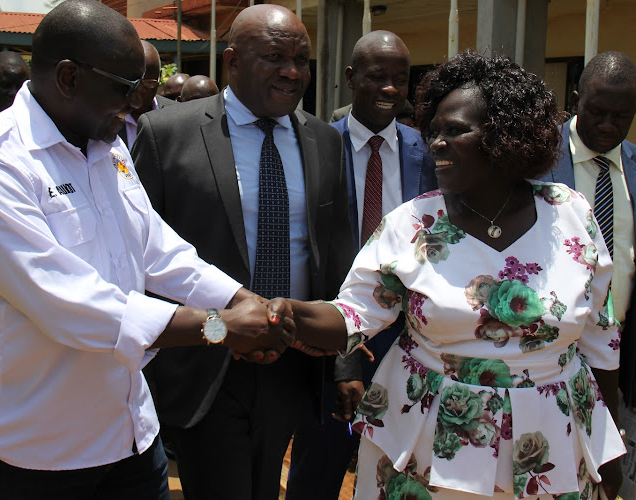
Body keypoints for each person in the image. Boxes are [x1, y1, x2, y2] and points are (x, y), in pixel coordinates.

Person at [0, 1, 286, 498]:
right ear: (70, 78)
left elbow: (157, 249)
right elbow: (72, 306)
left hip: (126, 432)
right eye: (125, 86)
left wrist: (239, 299)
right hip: (26, 445)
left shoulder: (105, 142)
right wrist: (221, 327)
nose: (138, 102)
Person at [269, 50, 626, 500]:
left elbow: (600, 337)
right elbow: (352, 315)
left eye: (454, 131)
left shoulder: (570, 213)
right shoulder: (412, 224)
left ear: (505, 135)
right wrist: (285, 313)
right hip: (429, 439)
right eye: (433, 129)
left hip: (553, 436)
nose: (435, 142)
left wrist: (610, 446)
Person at [132, 4, 354, 499]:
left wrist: (343, 360)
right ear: (231, 61)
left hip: (295, 358)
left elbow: (338, 258)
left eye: (302, 59)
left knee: (266, 483)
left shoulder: (322, 140)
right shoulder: (168, 135)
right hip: (207, 357)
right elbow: (137, 260)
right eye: (274, 57)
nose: (292, 72)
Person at [285, 30, 437, 500]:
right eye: (377, 77)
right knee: (320, 465)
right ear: (351, 78)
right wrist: (341, 354)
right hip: (333, 334)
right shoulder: (311, 146)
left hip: (413, 339)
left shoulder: (429, 152)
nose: (391, 89)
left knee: (398, 466)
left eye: (400, 79)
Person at [538, 51, 636, 412]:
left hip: (620, 350)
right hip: (549, 352)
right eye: (598, 112)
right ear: (576, 101)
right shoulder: (537, 160)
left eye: (621, 116)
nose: (609, 125)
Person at [118, 40, 174, 152]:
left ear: (160, 76)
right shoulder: (107, 116)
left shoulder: (177, 115)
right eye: (133, 82)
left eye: (149, 82)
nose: (140, 90)